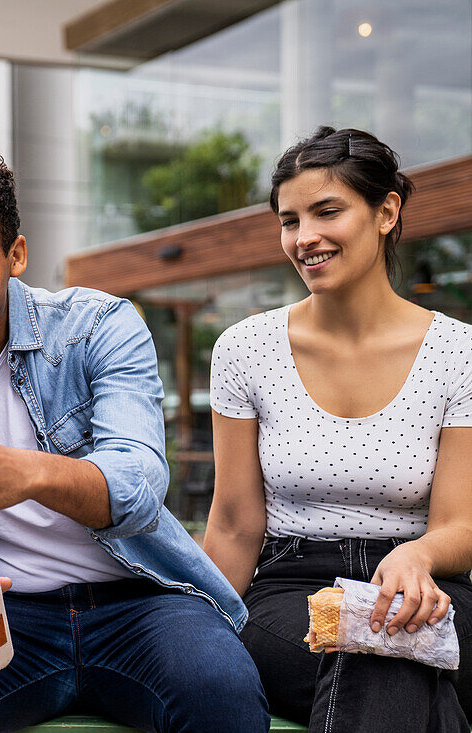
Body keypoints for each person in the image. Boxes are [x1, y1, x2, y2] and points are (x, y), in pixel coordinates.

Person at [0, 138, 268, 733]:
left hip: (138, 600)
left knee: (220, 692)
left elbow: (139, 487)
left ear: (15, 254)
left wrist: (24, 473)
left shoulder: (99, 327)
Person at [203, 126, 472, 732]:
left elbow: (460, 525)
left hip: (429, 590)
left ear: (386, 212)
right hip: (289, 591)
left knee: (386, 644)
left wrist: (418, 555)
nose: (304, 238)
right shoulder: (245, 349)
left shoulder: (459, 353)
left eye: (327, 212)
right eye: (289, 220)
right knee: (386, 654)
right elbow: (235, 524)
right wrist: (188, 622)